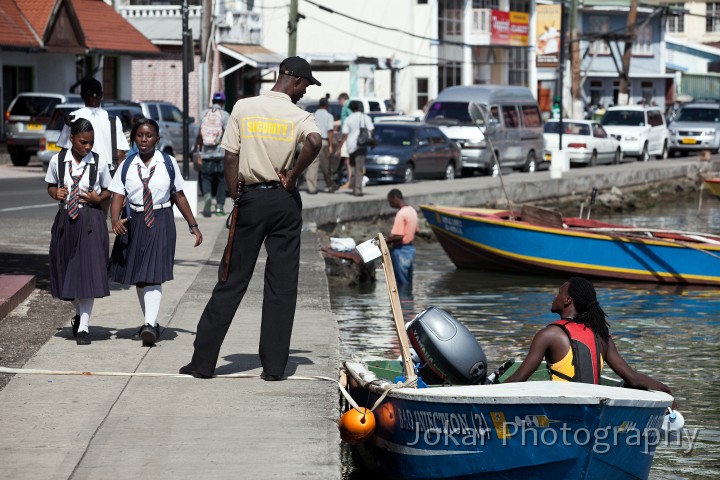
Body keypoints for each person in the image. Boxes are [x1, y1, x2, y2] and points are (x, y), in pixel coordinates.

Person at [179, 56, 322, 380]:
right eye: (305, 86)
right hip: (284, 201)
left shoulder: (244, 107)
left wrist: (235, 196)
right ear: (295, 81)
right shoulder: (300, 115)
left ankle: (203, 363)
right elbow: (315, 142)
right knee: (282, 286)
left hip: (252, 199)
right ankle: (273, 369)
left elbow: (231, 156)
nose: (303, 94)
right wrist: (294, 174)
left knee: (232, 279)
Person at [108, 118, 203, 347]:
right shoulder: (127, 165)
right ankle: (150, 323)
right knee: (140, 277)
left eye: (149, 135)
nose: (143, 139)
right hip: (134, 221)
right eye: (139, 135)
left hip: (161, 220)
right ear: (134, 138)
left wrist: (193, 225)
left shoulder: (168, 162)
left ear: (157, 139)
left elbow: (178, 195)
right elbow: (118, 195)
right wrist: (114, 219)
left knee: (153, 273)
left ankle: (150, 325)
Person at [504, 278, 675, 401]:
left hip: (561, 412)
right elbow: (633, 378)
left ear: (568, 300)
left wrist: (485, 391)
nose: (554, 297)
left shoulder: (549, 334)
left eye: (558, 294)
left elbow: (519, 380)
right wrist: (666, 390)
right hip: (592, 413)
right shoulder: (601, 336)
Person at [45, 116, 112, 345]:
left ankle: (84, 327)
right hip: (65, 218)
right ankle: (78, 314)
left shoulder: (98, 163)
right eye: (83, 142)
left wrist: (97, 197)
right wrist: (56, 194)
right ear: (72, 138)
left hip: (90, 219)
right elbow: (51, 186)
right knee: (63, 271)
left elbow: (107, 190)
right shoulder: (58, 160)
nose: (87, 146)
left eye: (91, 142)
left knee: (88, 273)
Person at [57, 78, 129, 173]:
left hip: (81, 173)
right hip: (108, 173)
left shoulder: (73, 117)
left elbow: (65, 150)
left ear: (82, 96)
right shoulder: (113, 120)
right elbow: (120, 154)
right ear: (101, 95)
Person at [197, 92, 232, 216]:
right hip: (220, 154)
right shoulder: (225, 115)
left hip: (206, 154)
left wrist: (199, 153)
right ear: (223, 103)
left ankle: (207, 196)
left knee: (206, 178)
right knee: (221, 180)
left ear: (212, 101)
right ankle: (219, 207)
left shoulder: (203, 114)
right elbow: (228, 134)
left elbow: (199, 135)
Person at [336, 100, 373, 197]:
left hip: (350, 146)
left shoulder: (348, 119)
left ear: (351, 109)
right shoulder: (365, 117)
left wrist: (340, 148)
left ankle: (353, 186)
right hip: (361, 145)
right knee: (359, 168)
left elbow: (344, 135)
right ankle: (357, 190)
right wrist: (372, 141)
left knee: (352, 167)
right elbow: (371, 129)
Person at [385, 189, 418, 295]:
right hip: (410, 250)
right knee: (408, 281)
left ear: (395, 198)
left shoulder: (401, 214)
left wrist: (386, 240)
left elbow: (399, 236)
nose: (390, 204)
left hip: (400, 251)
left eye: (390, 201)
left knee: (401, 282)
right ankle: (408, 307)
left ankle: (402, 306)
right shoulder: (412, 211)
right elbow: (415, 230)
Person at [305, 97, 336, 194]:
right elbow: (330, 131)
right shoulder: (329, 116)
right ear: (327, 106)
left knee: (312, 165)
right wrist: (331, 146)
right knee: (325, 166)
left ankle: (312, 188)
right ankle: (330, 185)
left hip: (313, 142)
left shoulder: (313, 115)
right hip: (324, 142)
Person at [337, 92, 352, 189]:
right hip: (346, 136)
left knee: (347, 160)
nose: (339, 103)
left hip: (346, 137)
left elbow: (350, 119)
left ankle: (349, 181)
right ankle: (348, 180)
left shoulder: (347, 106)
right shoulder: (346, 107)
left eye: (339, 101)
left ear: (342, 99)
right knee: (346, 160)